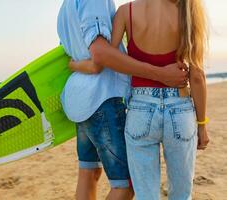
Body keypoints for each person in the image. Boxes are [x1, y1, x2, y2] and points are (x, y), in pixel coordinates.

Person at [72, 0, 210, 199]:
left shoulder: (124, 12)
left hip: (140, 111)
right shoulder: (187, 11)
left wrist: (75, 65)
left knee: (146, 195)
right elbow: (197, 77)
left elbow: (107, 60)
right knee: (181, 194)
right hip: (179, 109)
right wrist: (202, 124)